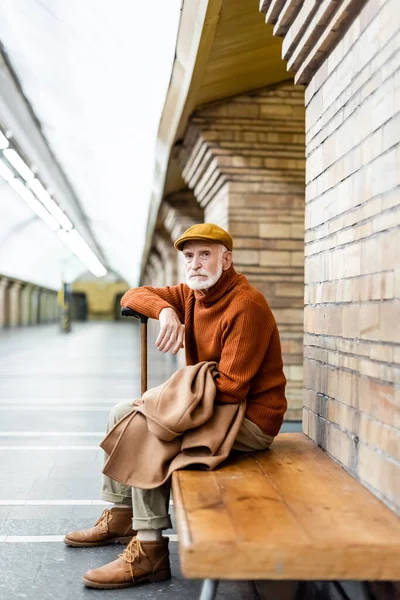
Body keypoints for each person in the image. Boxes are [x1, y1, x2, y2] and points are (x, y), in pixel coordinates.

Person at [64, 223, 287, 589]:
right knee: (122, 412)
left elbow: (231, 389)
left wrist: (163, 403)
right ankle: (122, 515)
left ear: (226, 260)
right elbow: (132, 296)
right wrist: (166, 310)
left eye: (205, 254)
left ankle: (150, 550)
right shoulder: (191, 296)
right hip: (215, 408)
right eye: (189, 256)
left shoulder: (247, 306)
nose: (196, 263)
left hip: (249, 419)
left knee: (151, 431)